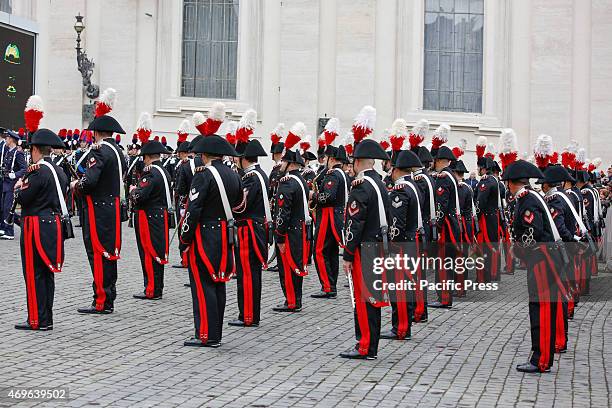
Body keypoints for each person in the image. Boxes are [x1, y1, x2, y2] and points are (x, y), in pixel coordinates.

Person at [179, 135, 242, 347]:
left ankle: (205, 334)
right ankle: (215, 333)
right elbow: (240, 203)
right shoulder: (233, 174)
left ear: (204, 155)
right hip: (225, 233)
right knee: (218, 284)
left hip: (204, 234)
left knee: (203, 285)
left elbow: (193, 210)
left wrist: (184, 238)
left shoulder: (204, 175)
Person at [503, 160, 560, 373]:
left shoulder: (528, 201)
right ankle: (540, 355)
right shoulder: (527, 198)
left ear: (511, 183)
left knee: (542, 309)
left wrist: (519, 252)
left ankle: (542, 359)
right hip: (541, 259)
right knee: (537, 307)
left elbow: (531, 233)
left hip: (541, 259)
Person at [340, 139, 391, 360]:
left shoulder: (361, 187)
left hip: (365, 247)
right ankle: (370, 345)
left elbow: (355, 222)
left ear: (358, 162)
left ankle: (365, 345)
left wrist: (348, 253)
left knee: (363, 299)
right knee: (373, 298)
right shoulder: (379, 183)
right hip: (379, 245)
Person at [72, 115, 127, 314]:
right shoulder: (118, 151)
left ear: (96, 133)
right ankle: (108, 294)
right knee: (109, 253)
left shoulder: (100, 151)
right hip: (111, 207)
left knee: (98, 253)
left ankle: (101, 300)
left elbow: (90, 182)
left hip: (98, 209)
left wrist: (76, 185)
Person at [14, 129, 68, 330]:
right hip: (51, 224)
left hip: (35, 225)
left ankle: (36, 319)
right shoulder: (58, 171)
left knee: (33, 273)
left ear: (36, 149)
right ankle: (46, 318)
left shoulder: (37, 171)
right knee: (46, 273)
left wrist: (19, 187)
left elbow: (23, 198)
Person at [381, 150, 424, 341]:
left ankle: (401, 327)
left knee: (399, 287)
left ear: (396, 169)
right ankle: (402, 325)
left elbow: (397, 224)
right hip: (411, 241)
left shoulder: (400, 190)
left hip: (401, 244)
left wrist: (390, 247)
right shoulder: (413, 186)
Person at [540, 165, 580, 354]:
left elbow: (559, 229)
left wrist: (569, 239)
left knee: (557, 298)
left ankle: (558, 340)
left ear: (548, 184)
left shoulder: (555, 200)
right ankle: (559, 338)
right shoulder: (565, 196)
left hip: (560, 252)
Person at [230, 139, 270, 327]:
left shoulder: (251, 177)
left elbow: (241, 206)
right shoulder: (260, 173)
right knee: (251, 273)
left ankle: (247, 316)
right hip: (255, 226)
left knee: (247, 273)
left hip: (249, 229)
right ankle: (249, 314)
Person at [272, 127, 311, 312]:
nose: (280, 165)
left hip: (290, 231)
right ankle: (296, 299)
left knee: (287, 267)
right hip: (301, 228)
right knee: (295, 266)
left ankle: (292, 301)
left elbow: (283, 212)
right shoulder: (301, 180)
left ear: (289, 163)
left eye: (282, 162)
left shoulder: (287, 182)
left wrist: (279, 236)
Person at [129, 139, 172, 300]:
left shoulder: (151, 173)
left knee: (149, 252)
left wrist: (133, 190)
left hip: (149, 217)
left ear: (147, 157)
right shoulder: (163, 171)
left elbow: (140, 196)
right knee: (156, 251)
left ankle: (152, 289)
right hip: (158, 215)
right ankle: (156, 287)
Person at [310, 145, 350, 299]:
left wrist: (313, 195)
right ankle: (331, 284)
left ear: (332, 159)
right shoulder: (343, 174)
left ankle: (328, 287)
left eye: (326, 158)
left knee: (319, 251)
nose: (324, 160)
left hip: (329, 216)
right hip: (337, 215)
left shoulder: (333, 174)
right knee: (331, 252)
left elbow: (328, 196)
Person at [430, 146, 460, 308]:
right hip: (453, 223)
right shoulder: (452, 176)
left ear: (440, 160)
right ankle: (445, 297)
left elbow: (441, 206)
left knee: (443, 262)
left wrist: (438, 228)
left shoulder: (443, 178)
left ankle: (444, 298)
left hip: (446, 226)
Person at [475, 157, 501, 283]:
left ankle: (484, 277)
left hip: (485, 219)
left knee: (483, 247)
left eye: (479, 167)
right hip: (493, 218)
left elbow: (480, 203)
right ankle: (492, 274)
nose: (478, 170)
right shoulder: (494, 180)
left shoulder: (485, 182)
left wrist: (476, 219)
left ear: (483, 168)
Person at [1, 129, 27, 240]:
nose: (5, 140)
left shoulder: (18, 153)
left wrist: (14, 175)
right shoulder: (8, 151)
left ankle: (10, 232)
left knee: (8, 208)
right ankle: (23, 225)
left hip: (12, 183)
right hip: (5, 183)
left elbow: (24, 169)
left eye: (7, 138)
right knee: (4, 208)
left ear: (11, 139)